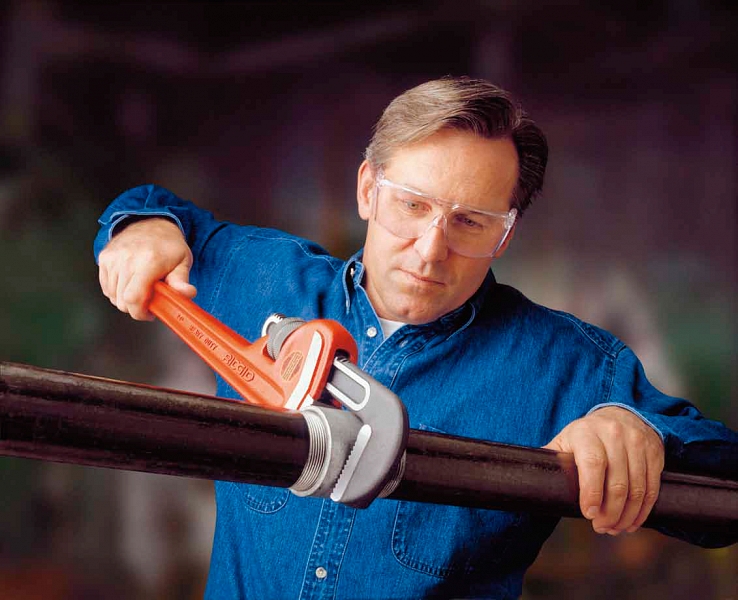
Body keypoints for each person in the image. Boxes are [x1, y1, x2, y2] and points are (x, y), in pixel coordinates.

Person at [94, 77, 737, 599]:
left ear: (505, 234)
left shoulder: (569, 367)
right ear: (367, 190)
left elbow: (723, 480)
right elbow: (154, 208)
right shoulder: (261, 276)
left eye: (470, 222)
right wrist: (141, 228)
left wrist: (639, 430)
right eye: (412, 205)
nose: (431, 250)